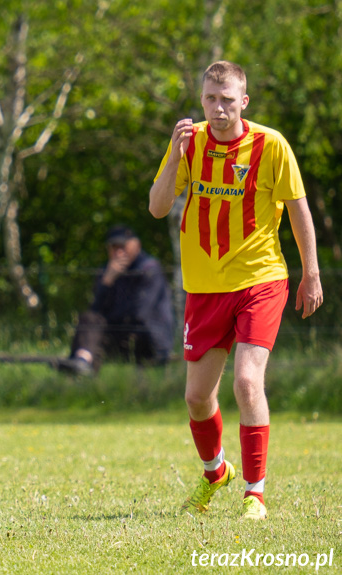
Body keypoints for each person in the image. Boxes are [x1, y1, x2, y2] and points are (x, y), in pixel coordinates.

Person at [149, 61, 323, 520]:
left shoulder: (270, 145)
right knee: (196, 397)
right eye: (211, 98)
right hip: (204, 288)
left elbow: (300, 210)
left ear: (244, 100)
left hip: (260, 280)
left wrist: (312, 273)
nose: (218, 108)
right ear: (202, 99)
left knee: (247, 381)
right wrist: (173, 152)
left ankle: (255, 494)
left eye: (228, 99)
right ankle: (215, 472)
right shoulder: (190, 144)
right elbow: (157, 207)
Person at [57, 225, 174, 375]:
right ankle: (82, 364)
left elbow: (138, 313)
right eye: (114, 247)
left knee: (94, 331)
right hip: (120, 334)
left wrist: (105, 322)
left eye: (123, 246)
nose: (119, 252)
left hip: (149, 339)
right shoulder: (108, 270)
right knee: (89, 320)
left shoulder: (149, 269)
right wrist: (107, 282)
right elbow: (95, 310)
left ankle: (80, 364)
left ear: (136, 245)